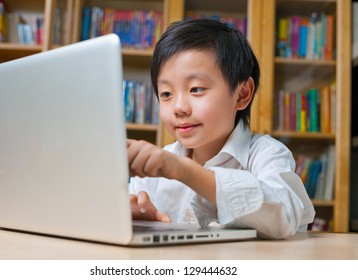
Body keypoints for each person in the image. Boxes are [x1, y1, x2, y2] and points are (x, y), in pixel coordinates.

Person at [127, 18, 315, 239]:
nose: (179, 108)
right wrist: (135, 216)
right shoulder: (161, 163)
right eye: (166, 94)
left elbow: (282, 218)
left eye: (196, 89)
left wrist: (185, 171)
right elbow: (131, 208)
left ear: (242, 94)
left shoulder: (268, 154)